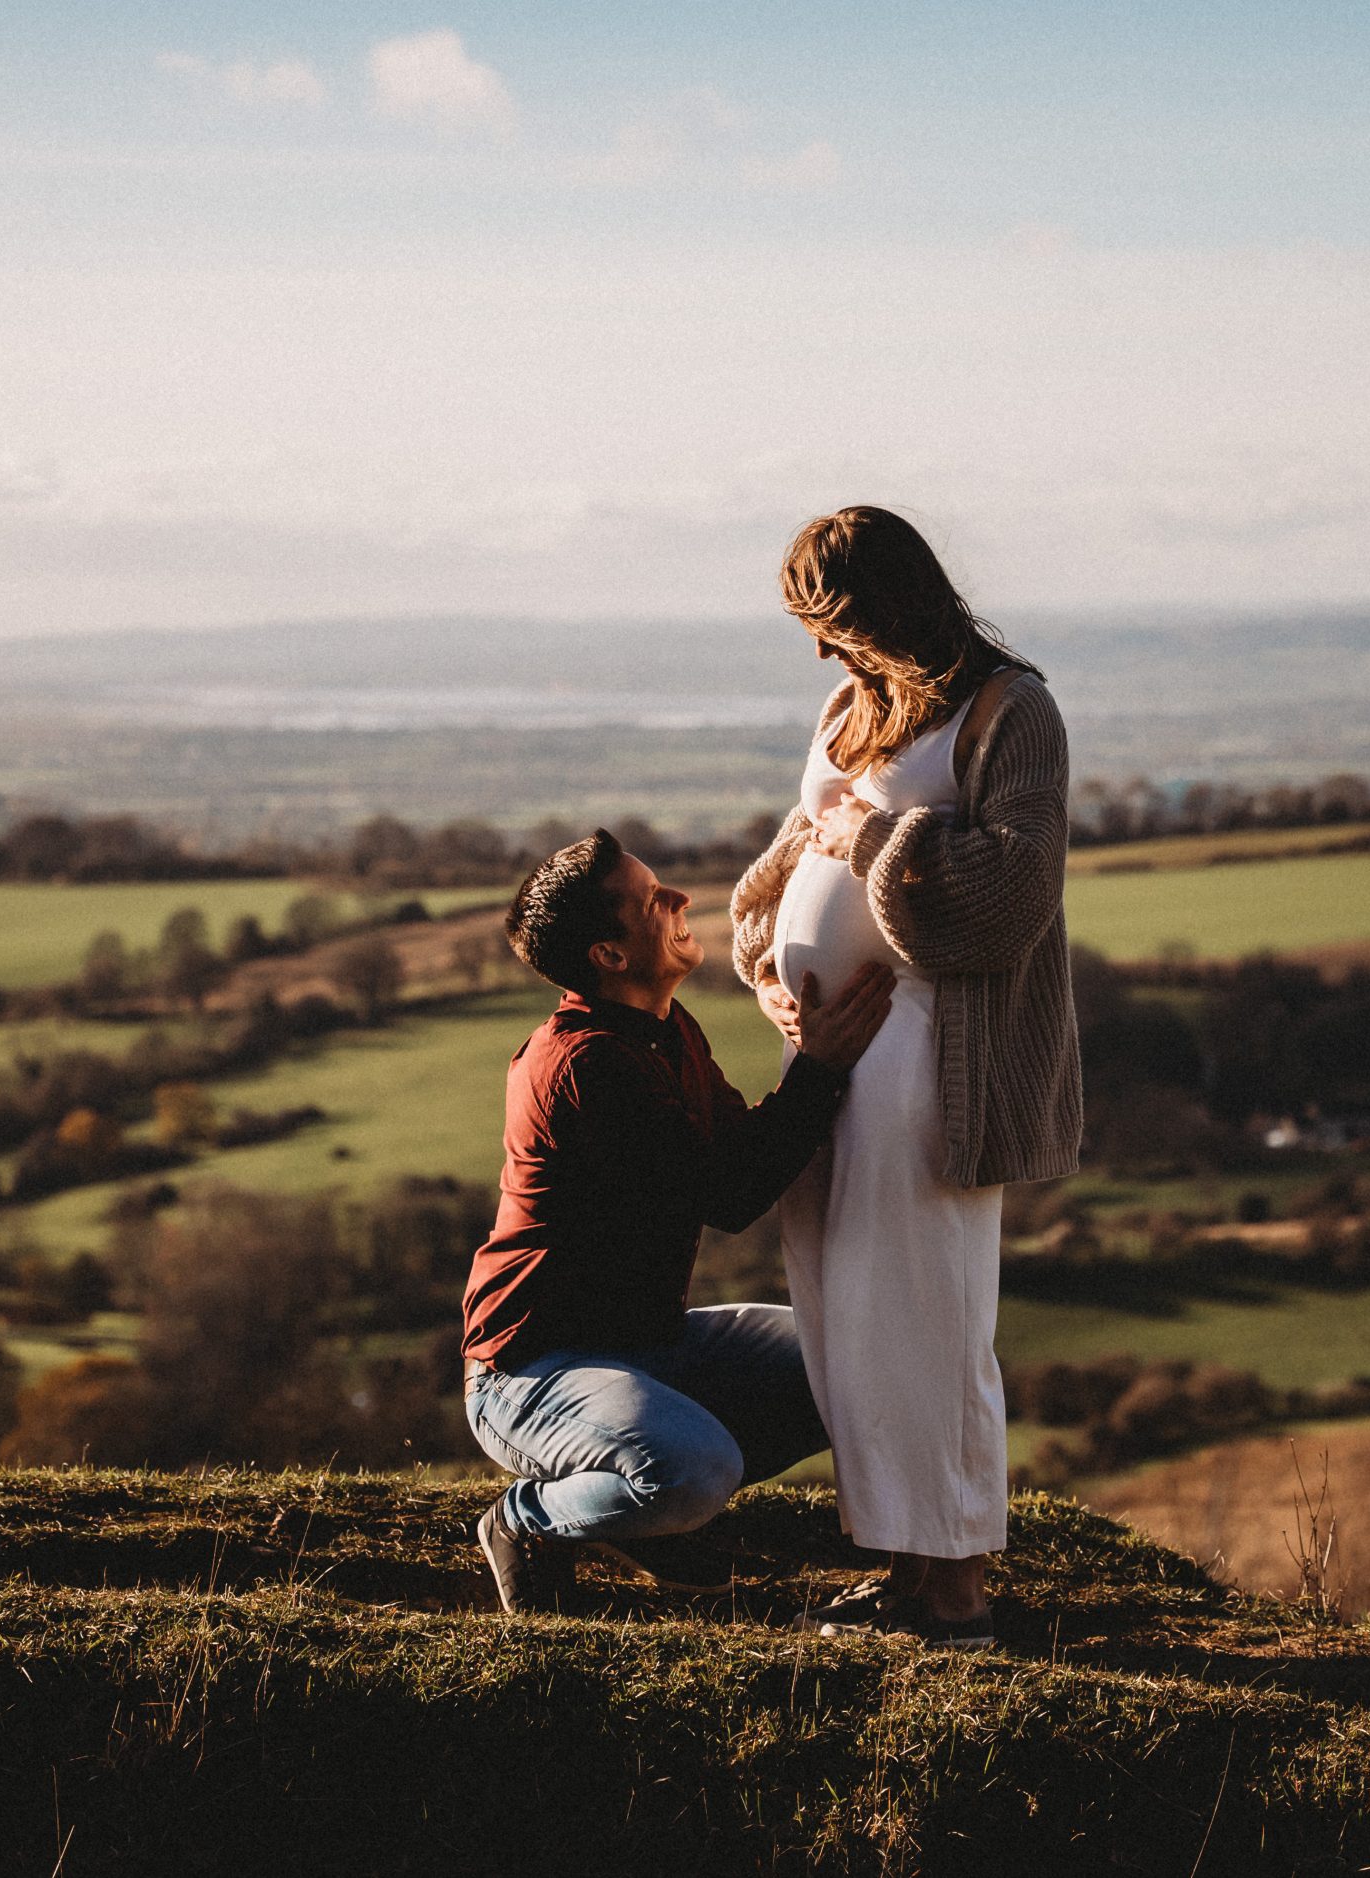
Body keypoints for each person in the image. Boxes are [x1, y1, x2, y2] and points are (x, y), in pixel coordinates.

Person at [729, 505, 1082, 1649]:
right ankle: (897, 1564)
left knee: (926, 1319)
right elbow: (796, 845)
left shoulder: (1009, 712)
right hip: (822, 1058)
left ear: (888, 605)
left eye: (834, 625)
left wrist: (873, 847)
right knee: (843, 1321)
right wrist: (769, 968)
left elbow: (1012, 896)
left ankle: (959, 1594)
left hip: (930, 1063)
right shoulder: (850, 708)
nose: (823, 654)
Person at [461, 828, 893, 1613]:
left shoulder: (665, 1029)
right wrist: (822, 1068)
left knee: (848, 1361)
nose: (680, 901)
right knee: (692, 1472)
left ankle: (638, 1512)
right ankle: (527, 1521)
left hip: (645, 1348)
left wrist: (807, 1053)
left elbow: (739, 1139)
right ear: (611, 956)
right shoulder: (586, 1066)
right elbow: (728, 1193)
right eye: (652, 899)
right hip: (531, 1372)